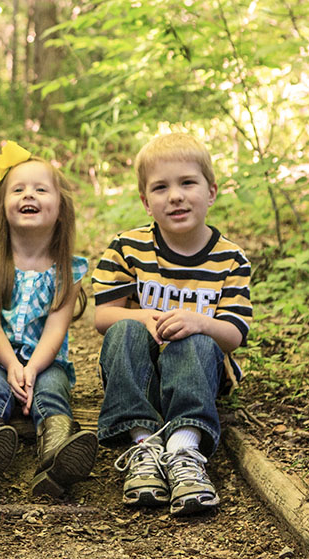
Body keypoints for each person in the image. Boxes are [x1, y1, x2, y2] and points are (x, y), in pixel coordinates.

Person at [91, 132, 252, 516]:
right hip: (141, 372)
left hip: (199, 371)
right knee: (125, 328)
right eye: (161, 188)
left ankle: (184, 448)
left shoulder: (230, 258)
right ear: (147, 202)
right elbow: (102, 317)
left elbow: (233, 335)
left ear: (211, 192)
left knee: (196, 339)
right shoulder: (127, 248)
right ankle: (143, 445)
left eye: (187, 183)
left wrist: (200, 322)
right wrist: (139, 315)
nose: (175, 196)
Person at [0, 141, 97, 500]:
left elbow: (56, 328)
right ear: (2, 205)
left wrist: (32, 368)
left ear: (61, 207)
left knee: (51, 391)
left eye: (39, 189)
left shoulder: (68, 267)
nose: (27, 195)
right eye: (17, 189)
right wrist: (10, 364)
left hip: (46, 360)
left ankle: (57, 456)